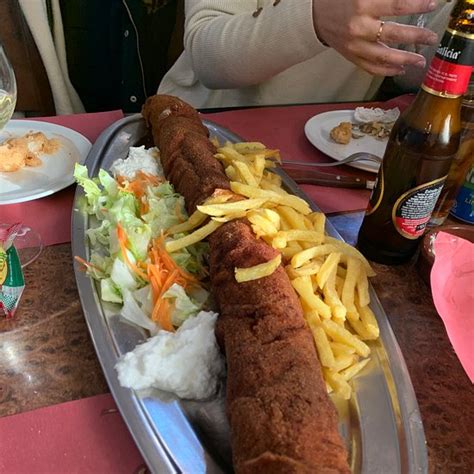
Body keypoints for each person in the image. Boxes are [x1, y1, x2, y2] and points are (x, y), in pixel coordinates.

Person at [158, 0, 454, 108]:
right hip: (206, 127)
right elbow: (208, 57)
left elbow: (415, 68)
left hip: (335, 155)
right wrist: (316, 20)